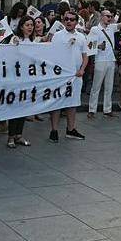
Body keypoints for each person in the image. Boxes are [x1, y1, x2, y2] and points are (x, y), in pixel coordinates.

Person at [87, 5, 121, 118]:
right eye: (108, 16)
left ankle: (107, 109)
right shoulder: (95, 29)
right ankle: (92, 109)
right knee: (96, 86)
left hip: (110, 60)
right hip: (100, 60)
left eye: (111, 16)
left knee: (109, 87)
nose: (110, 18)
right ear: (102, 17)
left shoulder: (112, 27)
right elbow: (88, 44)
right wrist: (98, 46)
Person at [49, 10, 88, 142]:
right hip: (60, 76)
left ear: (76, 22)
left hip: (75, 75)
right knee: (57, 103)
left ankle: (71, 129)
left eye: (72, 19)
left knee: (73, 103)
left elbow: (85, 56)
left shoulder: (81, 37)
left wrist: (82, 69)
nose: (69, 21)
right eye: (66, 19)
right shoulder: (57, 36)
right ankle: (54, 130)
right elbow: (52, 54)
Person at [7, 16, 36, 148]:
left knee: (23, 108)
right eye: (27, 25)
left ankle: (19, 135)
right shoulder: (15, 39)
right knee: (15, 109)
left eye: (31, 25)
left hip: (28, 80)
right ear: (21, 26)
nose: (30, 27)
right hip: (16, 79)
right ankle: (11, 137)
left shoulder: (33, 41)